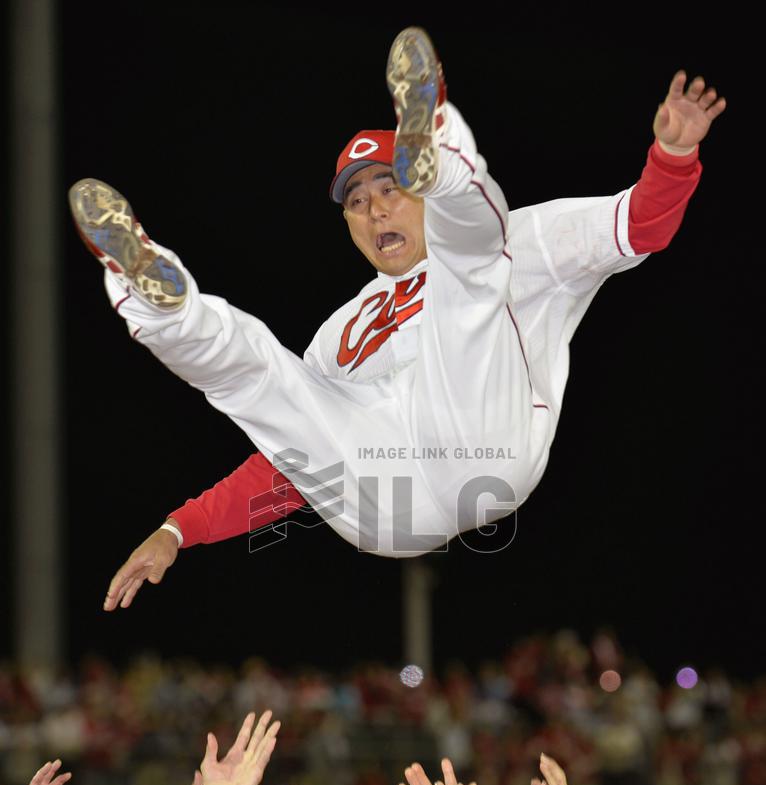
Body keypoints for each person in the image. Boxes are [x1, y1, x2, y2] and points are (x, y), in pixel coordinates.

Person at [69, 27, 725, 607]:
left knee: (470, 269)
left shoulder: (525, 243)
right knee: (263, 375)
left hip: (484, 451)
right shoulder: (339, 332)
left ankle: (442, 152)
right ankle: (163, 308)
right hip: (384, 510)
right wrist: (179, 530)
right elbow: (294, 459)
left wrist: (672, 157)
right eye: (357, 202)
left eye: (391, 186)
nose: (375, 209)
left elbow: (639, 227)